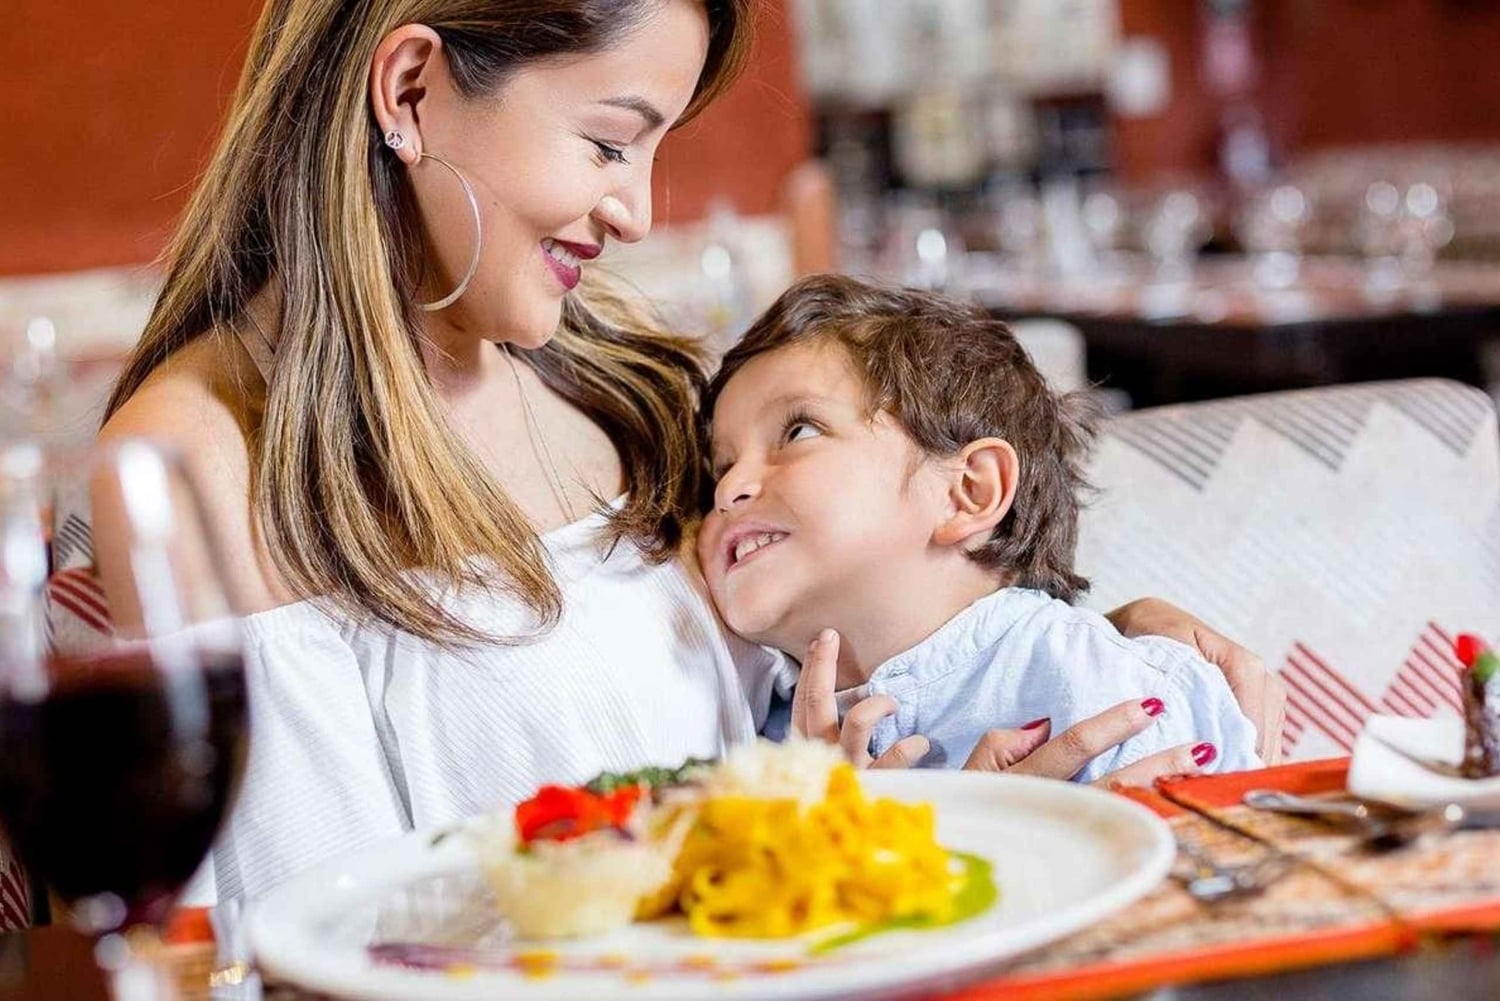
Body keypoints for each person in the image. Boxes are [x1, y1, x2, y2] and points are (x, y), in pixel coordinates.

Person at [88, 0, 1282, 904]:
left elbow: (840, 641)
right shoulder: (211, 457)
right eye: (611, 143)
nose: (640, 211)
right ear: (407, 87)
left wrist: (1084, 646)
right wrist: (908, 866)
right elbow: (318, 934)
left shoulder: (626, 376)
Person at [697, 275, 1261, 780]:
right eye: (720, 468)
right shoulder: (754, 728)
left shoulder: (1102, 688)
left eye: (798, 432)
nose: (728, 489)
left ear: (969, 491)